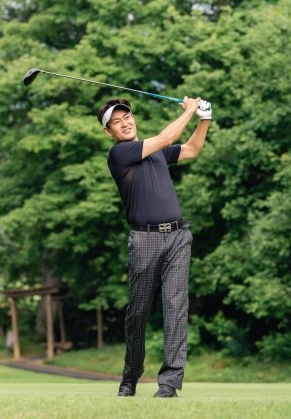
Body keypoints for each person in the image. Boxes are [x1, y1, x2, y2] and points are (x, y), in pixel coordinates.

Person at [97, 96, 212, 398]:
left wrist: (204, 118)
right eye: (116, 122)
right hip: (144, 239)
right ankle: (130, 376)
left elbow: (191, 149)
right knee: (138, 313)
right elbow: (167, 137)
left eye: (127, 117)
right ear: (109, 131)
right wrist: (189, 110)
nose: (124, 123)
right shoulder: (119, 154)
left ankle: (169, 384)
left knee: (176, 308)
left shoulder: (157, 151)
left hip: (178, 237)